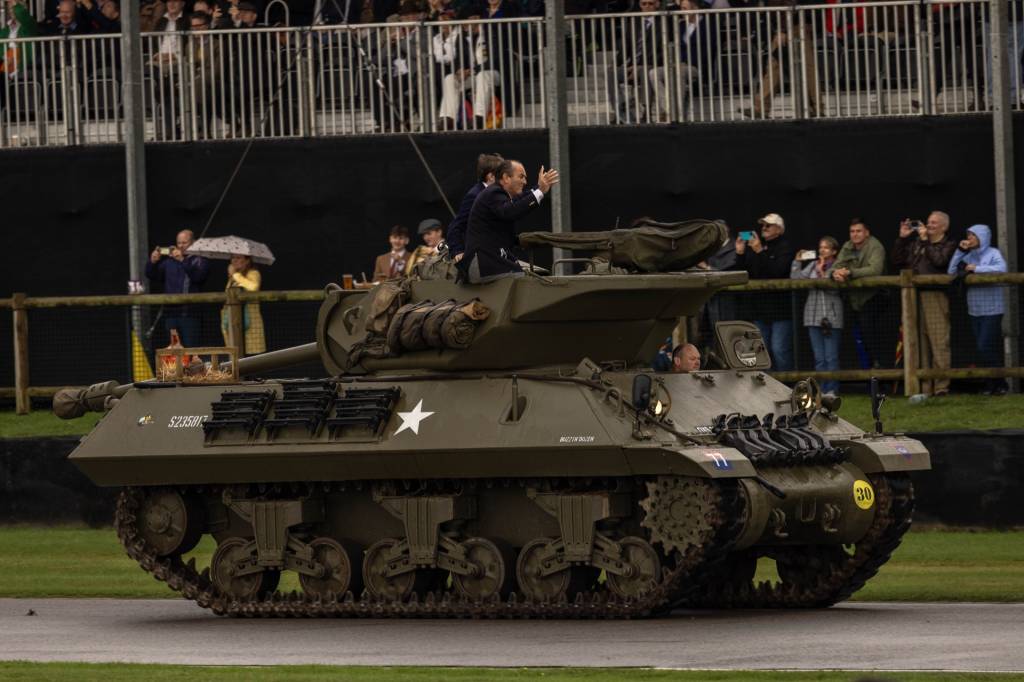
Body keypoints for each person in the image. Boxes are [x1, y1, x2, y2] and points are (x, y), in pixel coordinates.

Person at [892, 211, 957, 396]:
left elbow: (939, 261)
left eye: (934, 223)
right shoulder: (917, 244)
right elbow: (898, 261)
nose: (929, 225)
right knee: (918, 342)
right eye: (928, 222)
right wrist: (903, 239)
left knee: (939, 341)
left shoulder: (949, 244)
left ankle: (941, 386)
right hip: (914, 296)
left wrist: (925, 241)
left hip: (934, 295)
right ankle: (924, 386)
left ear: (944, 226)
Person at [464, 159, 558, 284]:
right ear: (506, 177)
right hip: (483, 265)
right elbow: (510, 211)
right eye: (521, 177)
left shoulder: (498, 194)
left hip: (490, 262)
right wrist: (539, 191)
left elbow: (519, 200)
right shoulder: (493, 193)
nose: (525, 181)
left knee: (528, 276)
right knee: (526, 282)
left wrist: (540, 188)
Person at [948, 225, 1009, 396]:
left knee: (985, 346)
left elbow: (1002, 269)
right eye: (968, 235)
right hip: (974, 309)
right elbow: (951, 271)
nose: (969, 238)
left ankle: (1000, 381)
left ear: (982, 237)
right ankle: (992, 385)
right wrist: (960, 251)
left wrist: (977, 269)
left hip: (993, 309)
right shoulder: (968, 255)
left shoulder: (993, 253)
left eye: (973, 235)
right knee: (983, 347)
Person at [735, 212, 796, 370]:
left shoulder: (786, 247)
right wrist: (740, 253)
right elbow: (745, 273)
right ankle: (765, 390)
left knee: (779, 350)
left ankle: (787, 388)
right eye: (763, 225)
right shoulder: (757, 246)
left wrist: (760, 251)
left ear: (779, 229)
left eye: (768, 225)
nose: (764, 228)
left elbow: (777, 272)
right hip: (760, 310)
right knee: (760, 351)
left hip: (780, 310)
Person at [832, 218, 887, 369]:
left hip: (875, 297)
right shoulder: (847, 246)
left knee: (872, 335)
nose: (855, 234)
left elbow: (875, 270)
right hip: (854, 300)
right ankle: (867, 373)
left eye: (858, 231)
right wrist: (835, 274)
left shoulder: (876, 246)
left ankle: (879, 374)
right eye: (852, 231)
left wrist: (849, 272)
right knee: (859, 338)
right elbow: (835, 266)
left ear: (867, 233)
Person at [791, 236, 843, 396]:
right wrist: (797, 262)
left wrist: (822, 273)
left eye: (826, 248)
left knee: (831, 357)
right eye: (821, 247)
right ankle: (821, 389)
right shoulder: (813, 264)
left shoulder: (839, 266)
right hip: (812, 317)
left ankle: (832, 389)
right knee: (819, 358)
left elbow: (835, 289)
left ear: (834, 251)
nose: (822, 250)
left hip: (831, 318)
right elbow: (796, 279)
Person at [146, 229, 211, 348]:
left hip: (190, 315)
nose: (180, 246)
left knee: (191, 351)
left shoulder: (200, 259)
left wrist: (182, 260)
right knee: (174, 352)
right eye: (179, 243)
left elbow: (198, 277)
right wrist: (152, 262)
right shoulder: (169, 262)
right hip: (171, 314)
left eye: (184, 243)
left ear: (193, 242)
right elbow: (152, 275)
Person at [446, 152, 504, 261]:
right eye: (501, 174)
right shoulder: (475, 195)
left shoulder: (494, 193)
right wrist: (458, 251)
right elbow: (456, 225)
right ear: (491, 176)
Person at [220, 254, 266, 355]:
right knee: (235, 355)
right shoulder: (234, 277)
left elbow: (253, 287)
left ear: (247, 260)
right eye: (232, 258)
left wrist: (235, 275)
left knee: (251, 357)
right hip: (233, 322)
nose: (234, 260)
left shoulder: (253, 273)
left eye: (238, 258)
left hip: (250, 324)